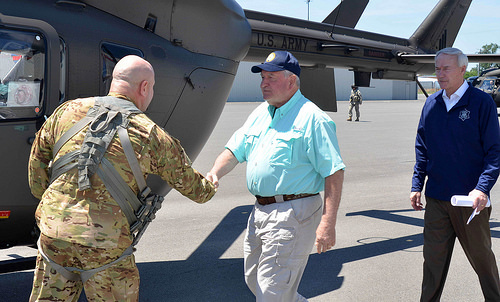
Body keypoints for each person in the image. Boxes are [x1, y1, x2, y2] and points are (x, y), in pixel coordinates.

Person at [28, 55, 216, 301]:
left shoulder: (67, 111)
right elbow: (198, 191)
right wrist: (211, 184)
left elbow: (36, 168)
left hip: (54, 236)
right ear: (144, 87)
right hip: (106, 249)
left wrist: (55, 207)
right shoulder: (151, 135)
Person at [206, 50, 345, 302]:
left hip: (292, 213)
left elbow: (334, 172)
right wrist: (215, 172)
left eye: (271, 77)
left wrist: (328, 222)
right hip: (260, 211)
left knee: (272, 291)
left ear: (292, 81)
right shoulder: (261, 112)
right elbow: (235, 149)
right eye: (262, 78)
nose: (263, 83)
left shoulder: (312, 119)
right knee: (254, 279)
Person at [410, 47, 500, 301]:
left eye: (446, 68)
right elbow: (422, 147)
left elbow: (494, 152)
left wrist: (482, 188)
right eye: (437, 69)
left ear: (463, 69)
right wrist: (417, 184)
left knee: (483, 262)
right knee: (432, 264)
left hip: (470, 203)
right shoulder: (431, 103)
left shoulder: (481, 103)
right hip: (437, 199)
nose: (440, 74)